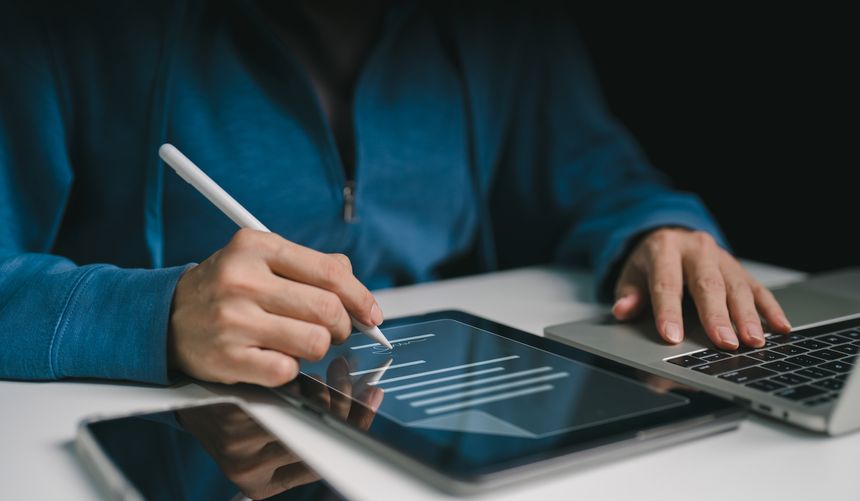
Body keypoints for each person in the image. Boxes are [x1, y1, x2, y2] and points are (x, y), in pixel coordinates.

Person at [0, 1, 790, 387]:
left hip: (431, 426)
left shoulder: (504, 27)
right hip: (184, 449)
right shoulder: (64, 28)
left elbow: (600, 177)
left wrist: (658, 232)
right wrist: (154, 316)